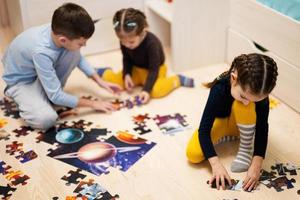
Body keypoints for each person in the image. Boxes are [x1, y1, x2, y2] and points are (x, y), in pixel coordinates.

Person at [1, 3, 122, 130]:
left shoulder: (60, 30)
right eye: (81, 43)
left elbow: (78, 57)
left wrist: (100, 81)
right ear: (63, 40)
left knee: (73, 51)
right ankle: (19, 96)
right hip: (22, 82)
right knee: (46, 119)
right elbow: (56, 96)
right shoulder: (42, 51)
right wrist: (93, 104)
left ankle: (46, 96)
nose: (85, 45)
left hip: (39, 71)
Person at [186, 53, 278, 191]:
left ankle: (245, 147)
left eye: (255, 100)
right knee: (192, 154)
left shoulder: (259, 93)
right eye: (243, 96)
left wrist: (257, 163)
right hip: (223, 123)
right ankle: (230, 136)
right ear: (233, 79)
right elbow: (204, 130)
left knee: (244, 106)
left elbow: (262, 127)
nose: (248, 102)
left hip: (244, 124)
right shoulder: (219, 88)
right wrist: (216, 165)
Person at [96, 8, 194, 104]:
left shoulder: (152, 43)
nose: (126, 45)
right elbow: (127, 59)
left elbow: (154, 69)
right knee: (116, 82)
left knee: (156, 91)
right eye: (123, 41)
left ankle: (177, 79)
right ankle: (106, 71)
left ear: (143, 32)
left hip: (156, 69)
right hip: (137, 69)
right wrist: (127, 74)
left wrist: (146, 90)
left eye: (131, 42)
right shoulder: (125, 41)